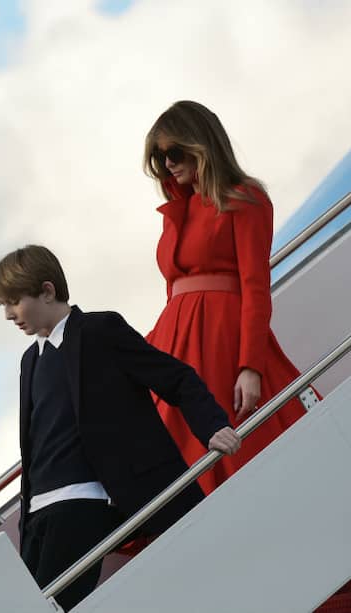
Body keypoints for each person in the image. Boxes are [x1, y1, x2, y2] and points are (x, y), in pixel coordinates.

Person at [0, 244, 240, 611]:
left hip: (85, 499)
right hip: (38, 512)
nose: (8, 314)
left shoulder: (100, 330)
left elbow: (176, 378)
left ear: (47, 290)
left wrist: (213, 425)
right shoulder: (30, 359)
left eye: (13, 301)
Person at [144, 100, 312, 494]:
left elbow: (255, 285)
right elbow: (174, 292)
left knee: (232, 442)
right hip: (177, 339)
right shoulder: (178, 211)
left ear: (201, 143)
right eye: (159, 156)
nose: (168, 163)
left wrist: (250, 365)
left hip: (221, 338)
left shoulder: (243, 197)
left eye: (175, 152)